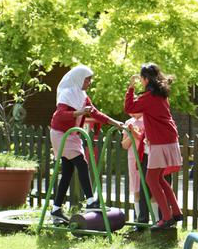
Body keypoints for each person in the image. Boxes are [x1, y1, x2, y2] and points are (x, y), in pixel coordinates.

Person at [49, 65, 120, 224]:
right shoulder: (67, 93)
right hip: (61, 134)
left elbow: (94, 112)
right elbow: (60, 115)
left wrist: (116, 123)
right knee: (81, 164)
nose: (89, 82)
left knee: (67, 171)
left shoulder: (82, 95)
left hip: (71, 134)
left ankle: (56, 210)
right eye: (87, 79)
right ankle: (90, 202)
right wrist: (80, 112)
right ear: (79, 78)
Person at [125, 63, 184, 230]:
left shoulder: (148, 98)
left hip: (160, 142)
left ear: (145, 79)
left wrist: (130, 88)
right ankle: (176, 212)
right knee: (158, 178)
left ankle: (166, 217)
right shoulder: (161, 95)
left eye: (142, 79)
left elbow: (129, 108)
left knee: (151, 179)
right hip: (169, 139)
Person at [121, 113, 156, 224]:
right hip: (133, 159)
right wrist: (131, 133)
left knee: (152, 192)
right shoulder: (128, 122)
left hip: (147, 158)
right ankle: (139, 220)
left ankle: (156, 220)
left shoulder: (149, 120)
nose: (132, 113)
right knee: (136, 190)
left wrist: (136, 133)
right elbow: (124, 145)